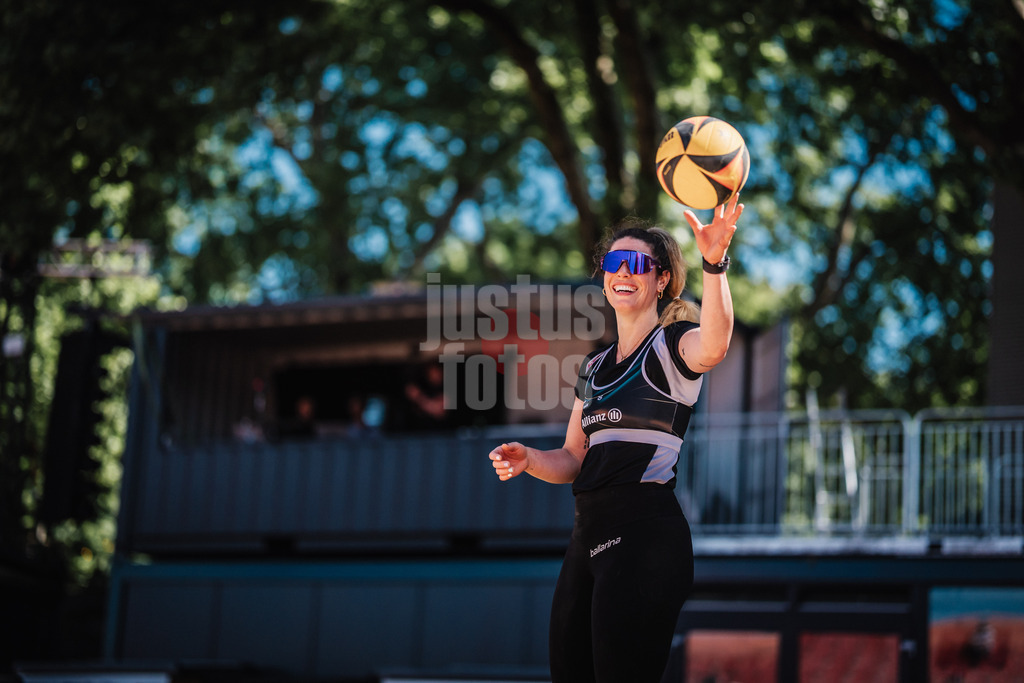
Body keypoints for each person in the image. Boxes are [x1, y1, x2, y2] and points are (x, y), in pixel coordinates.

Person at [488, 194, 743, 683]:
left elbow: (715, 344)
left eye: (637, 264)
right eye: (613, 262)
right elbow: (572, 458)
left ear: (661, 279)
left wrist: (714, 263)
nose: (623, 272)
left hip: (646, 535)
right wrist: (529, 459)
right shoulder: (594, 366)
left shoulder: (673, 345)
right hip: (586, 537)